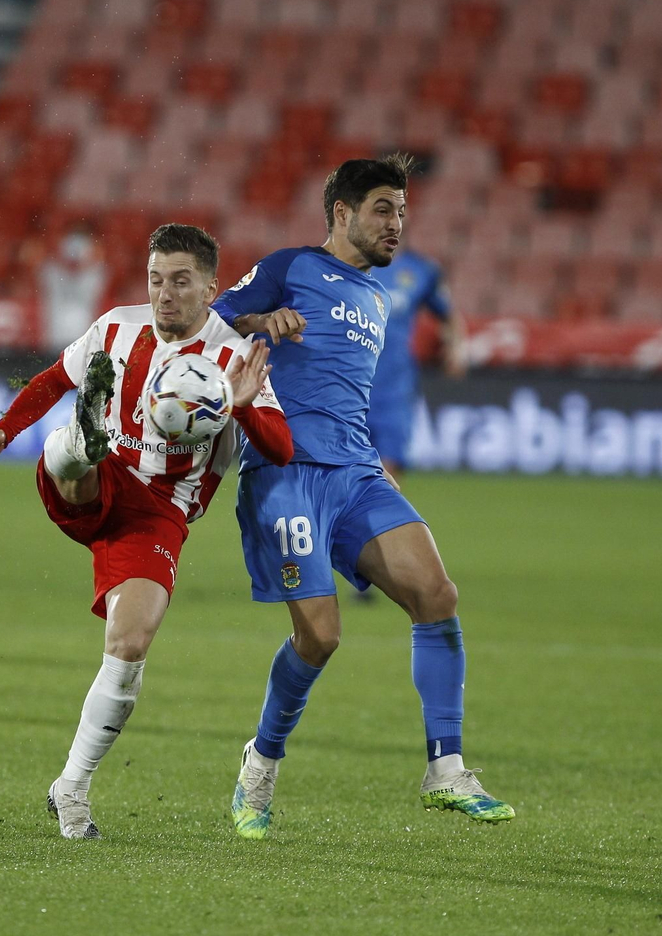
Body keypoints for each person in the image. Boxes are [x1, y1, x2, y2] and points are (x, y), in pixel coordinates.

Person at [0, 223, 292, 840]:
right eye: (156, 280)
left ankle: (70, 788)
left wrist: (236, 405)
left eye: (181, 281)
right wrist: (3, 431)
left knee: (130, 646)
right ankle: (79, 441)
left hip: (160, 512)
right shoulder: (116, 327)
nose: (164, 294)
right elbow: (53, 377)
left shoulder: (236, 356)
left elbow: (282, 448)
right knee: (82, 457)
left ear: (211, 287)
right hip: (104, 476)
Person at [209, 155, 514, 838]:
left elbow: (346, 395)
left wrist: (379, 467)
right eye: (383, 208)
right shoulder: (287, 267)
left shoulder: (380, 298)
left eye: (403, 211)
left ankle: (446, 765)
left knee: (436, 593)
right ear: (341, 212)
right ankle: (260, 762)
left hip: (357, 473)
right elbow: (207, 324)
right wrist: (262, 323)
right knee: (320, 635)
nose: (397, 224)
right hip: (285, 471)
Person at [368, 247, 466, 483]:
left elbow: (449, 316)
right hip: (350, 386)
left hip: (394, 389)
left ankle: (375, 517)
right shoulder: (347, 263)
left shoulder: (422, 270)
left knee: (387, 477)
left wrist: (456, 348)